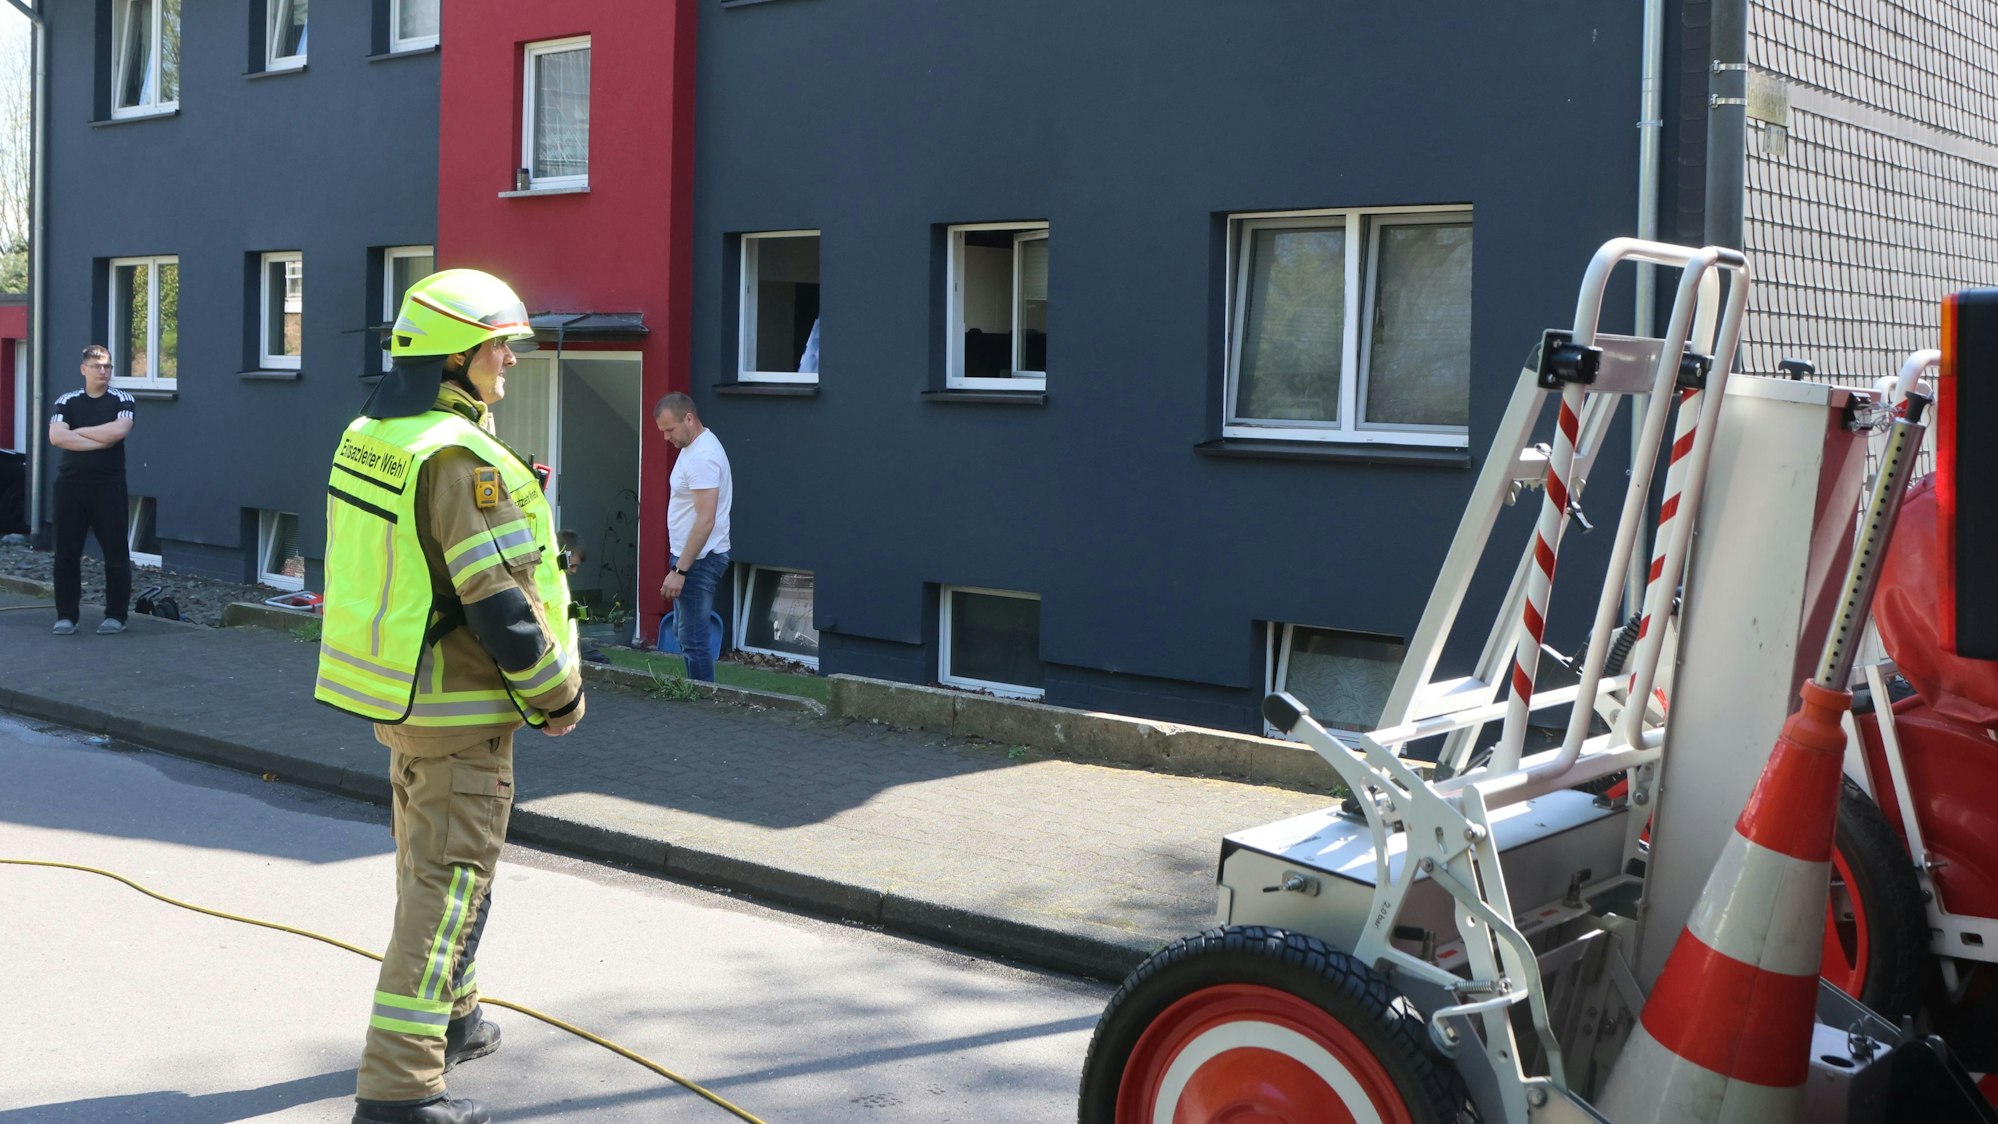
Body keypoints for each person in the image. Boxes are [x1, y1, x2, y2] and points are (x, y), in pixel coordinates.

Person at [315, 269, 584, 1124]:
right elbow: (501, 604)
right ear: (452, 359)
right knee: (446, 890)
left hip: (404, 702)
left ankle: (457, 1019)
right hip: (462, 712)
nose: (509, 358)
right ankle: (399, 1091)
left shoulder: (375, 434)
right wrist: (558, 695)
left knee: (432, 871)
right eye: (496, 345)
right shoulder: (459, 457)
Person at [46, 345, 137, 635]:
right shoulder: (67, 401)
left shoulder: (121, 399)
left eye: (108, 366)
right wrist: (99, 438)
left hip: (108, 486)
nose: (103, 371)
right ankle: (66, 616)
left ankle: (116, 616)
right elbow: (57, 437)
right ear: (83, 369)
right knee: (66, 553)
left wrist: (78, 432)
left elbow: (118, 432)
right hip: (70, 486)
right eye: (97, 366)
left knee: (116, 554)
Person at [654, 392, 732, 682]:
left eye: (669, 430)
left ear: (689, 418)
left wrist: (680, 570)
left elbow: (705, 519)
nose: (666, 438)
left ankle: (703, 705)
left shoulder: (703, 456)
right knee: (685, 633)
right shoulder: (695, 448)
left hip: (699, 559)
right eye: (662, 431)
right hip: (692, 556)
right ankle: (698, 697)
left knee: (694, 638)